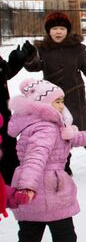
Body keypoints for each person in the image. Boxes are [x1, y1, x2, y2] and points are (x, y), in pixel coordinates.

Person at [7, 78, 86, 241]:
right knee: (64, 236)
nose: (61, 106)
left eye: (62, 101)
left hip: (34, 195)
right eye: (57, 102)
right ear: (41, 105)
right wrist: (27, 187)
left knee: (29, 235)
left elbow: (72, 138)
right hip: (50, 191)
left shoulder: (43, 125)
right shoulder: (46, 128)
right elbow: (35, 158)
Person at [24, 12, 86, 174]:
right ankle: (65, 167)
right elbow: (34, 67)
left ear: (67, 30)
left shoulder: (76, 48)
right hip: (52, 99)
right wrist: (29, 57)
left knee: (82, 129)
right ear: (49, 31)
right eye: (55, 28)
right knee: (57, 132)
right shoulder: (43, 49)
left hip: (75, 96)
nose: (58, 32)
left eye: (62, 28)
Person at [0, 42, 33, 184]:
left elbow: (4, 74)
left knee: (7, 146)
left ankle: (10, 185)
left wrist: (16, 61)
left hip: (3, 111)